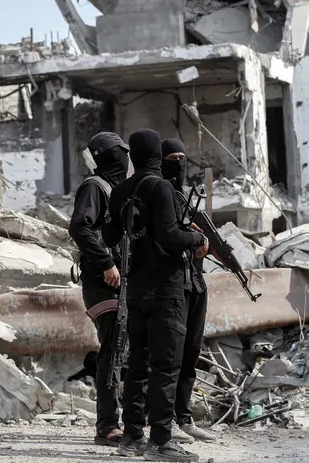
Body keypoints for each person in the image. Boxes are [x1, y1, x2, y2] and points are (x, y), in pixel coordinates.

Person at [103, 129, 208, 462]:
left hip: (136, 290)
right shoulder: (161, 187)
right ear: (156, 156)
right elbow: (171, 238)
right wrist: (198, 239)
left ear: (133, 156)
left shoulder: (121, 191)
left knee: (137, 365)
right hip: (166, 289)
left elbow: (109, 235)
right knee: (166, 366)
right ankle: (161, 442)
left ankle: (132, 436)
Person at [68, 131, 130, 447]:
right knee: (113, 349)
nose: (125, 159)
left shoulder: (117, 190)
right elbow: (80, 227)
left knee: (124, 350)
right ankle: (107, 425)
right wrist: (106, 263)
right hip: (103, 283)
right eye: (120, 153)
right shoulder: (95, 187)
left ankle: (130, 421)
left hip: (122, 283)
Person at [160, 138, 217, 444]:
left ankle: (183, 417)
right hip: (172, 286)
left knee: (191, 353)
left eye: (183, 158)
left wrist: (201, 243)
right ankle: (164, 420)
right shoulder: (158, 195)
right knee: (170, 356)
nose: (179, 164)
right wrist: (193, 239)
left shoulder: (183, 198)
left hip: (195, 282)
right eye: (172, 158)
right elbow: (168, 238)